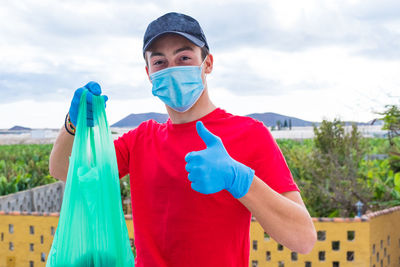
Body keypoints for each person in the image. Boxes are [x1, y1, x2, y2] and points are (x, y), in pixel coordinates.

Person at [49, 12, 316, 267]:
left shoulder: (250, 134)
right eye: (160, 62)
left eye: (184, 57)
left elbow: (303, 238)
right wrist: (72, 125)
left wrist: (239, 179)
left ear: (207, 63)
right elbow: (64, 170)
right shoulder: (140, 140)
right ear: (149, 74)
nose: (171, 69)